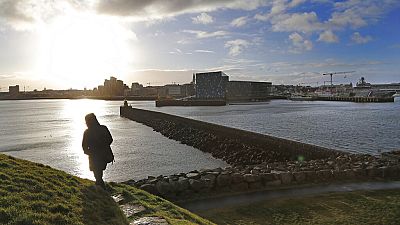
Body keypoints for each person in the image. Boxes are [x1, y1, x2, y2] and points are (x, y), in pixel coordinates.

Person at [82, 113, 114, 189]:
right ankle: (100, 186)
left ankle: (100, 187)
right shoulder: (103, 128)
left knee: (97, 172)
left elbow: (84, 145)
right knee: (99, 171)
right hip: (104, 154)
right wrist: (104, 146)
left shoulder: (87, 132)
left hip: (94, 156)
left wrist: (88, 152)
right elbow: (110, 140)